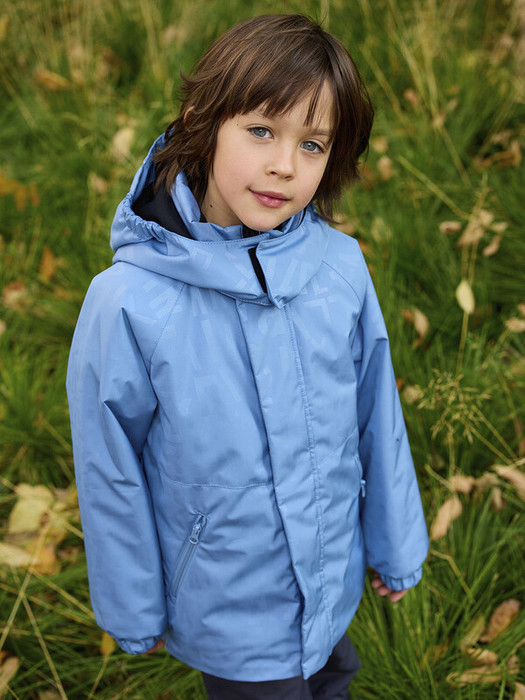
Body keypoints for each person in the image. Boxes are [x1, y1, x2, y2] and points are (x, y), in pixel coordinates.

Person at [66, 13, 429, 700]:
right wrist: (133, 606)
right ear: (203, 120)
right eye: (261, 130)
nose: (284, 165)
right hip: (228, 605)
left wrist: (395, 542)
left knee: (335, 675)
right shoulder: (127, 305)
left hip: (330, 578)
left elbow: (375, 412)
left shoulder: (339, 268)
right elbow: (108, 468)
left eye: (312, 144)